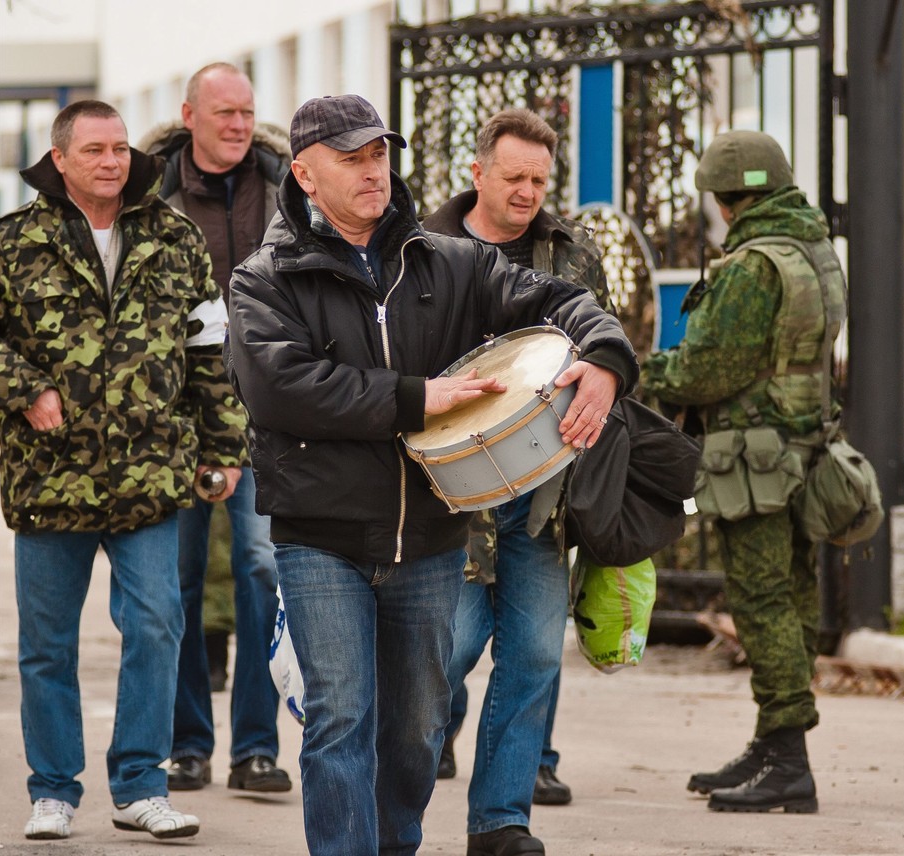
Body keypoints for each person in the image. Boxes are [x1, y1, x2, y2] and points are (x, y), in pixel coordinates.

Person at [226, 94, 638, 856]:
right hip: (321, 536)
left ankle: (395, 844)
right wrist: (418, 399)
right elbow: (281, 388)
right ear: (306, 174)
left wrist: (606, 360)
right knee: (341, 716)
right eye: (352, 158)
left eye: (380, 154)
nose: (373, 171)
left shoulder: (449, 261)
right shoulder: (263, 280)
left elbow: (558, 300)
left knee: (416, 729)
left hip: (429, 538)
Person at [0, 99, 249, 841]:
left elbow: (209, 351)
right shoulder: (12, 243)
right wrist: (24, 388)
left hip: (151, 477)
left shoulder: (173, 237)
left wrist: (224, 447)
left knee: (160, 626)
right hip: (50, 479)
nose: (112, 162)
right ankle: (53, 792)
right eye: (96, 149)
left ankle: (140, 785)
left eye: (120, 149)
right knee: (47, 645)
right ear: (60, 158)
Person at [422, 108, 612, 852]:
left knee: (533, 655)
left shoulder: (571, 253)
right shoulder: (425, 249)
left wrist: (604, 371)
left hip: (543, 494)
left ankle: (500, 822)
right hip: (453, 496)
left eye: (540, 178)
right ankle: (385, 792)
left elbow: (604, 334)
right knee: (447, 654)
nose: (530, 191)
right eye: (514, 177)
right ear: (477, 173)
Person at [642, 129, 847, 814]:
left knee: (761, 604)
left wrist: (643, 369)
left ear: (728, 201)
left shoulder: (751, 267)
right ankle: (770, 743)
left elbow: (708, 370)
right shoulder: (815, 253)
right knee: (792, 596)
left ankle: (789, 759)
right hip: (805, 448)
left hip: (752, 461)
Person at [141, 61, 292, 795]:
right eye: (223, 112)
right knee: (181, 579)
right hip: (179, 417)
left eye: (246, 112)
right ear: (190, 114)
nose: (237, 125)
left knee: (263, 567)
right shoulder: (151, 195)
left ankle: (256, 749)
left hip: (268, 414)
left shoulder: (289, 189)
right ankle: (189, 743)